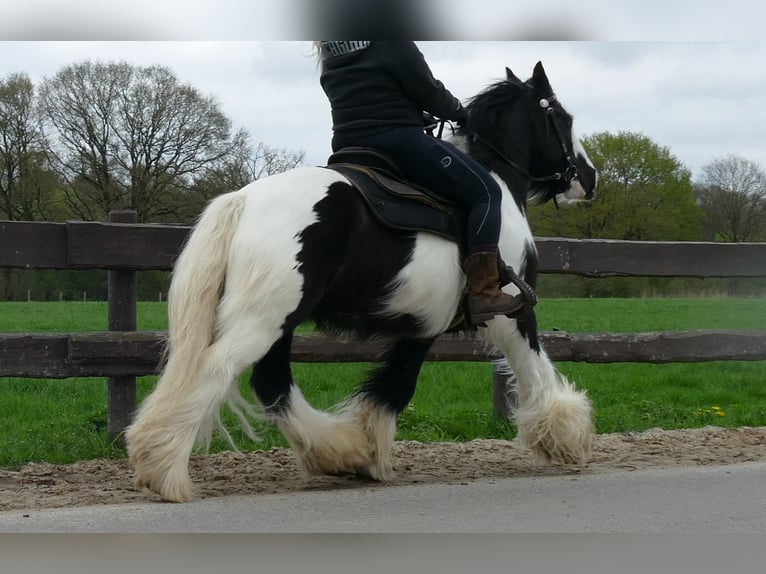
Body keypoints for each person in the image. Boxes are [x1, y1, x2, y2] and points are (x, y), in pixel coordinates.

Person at [316, 41, 524, 325]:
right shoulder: (389, 37)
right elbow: (428, 90)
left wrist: (412, 113)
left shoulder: (331, 52)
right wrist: (460, 113)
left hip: (346, 147)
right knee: (485, 192)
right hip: (398, 143)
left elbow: (368, 96)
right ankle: (484, 291)